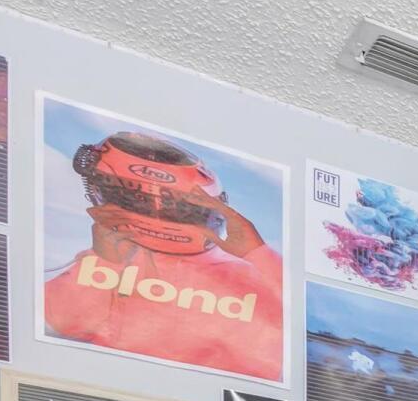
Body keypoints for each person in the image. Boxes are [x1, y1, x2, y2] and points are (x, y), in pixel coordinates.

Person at [42, 129, 284, 379]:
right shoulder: (253, 271)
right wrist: (258, 253)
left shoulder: (115, 262)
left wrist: (104, 264)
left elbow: (54, 321)